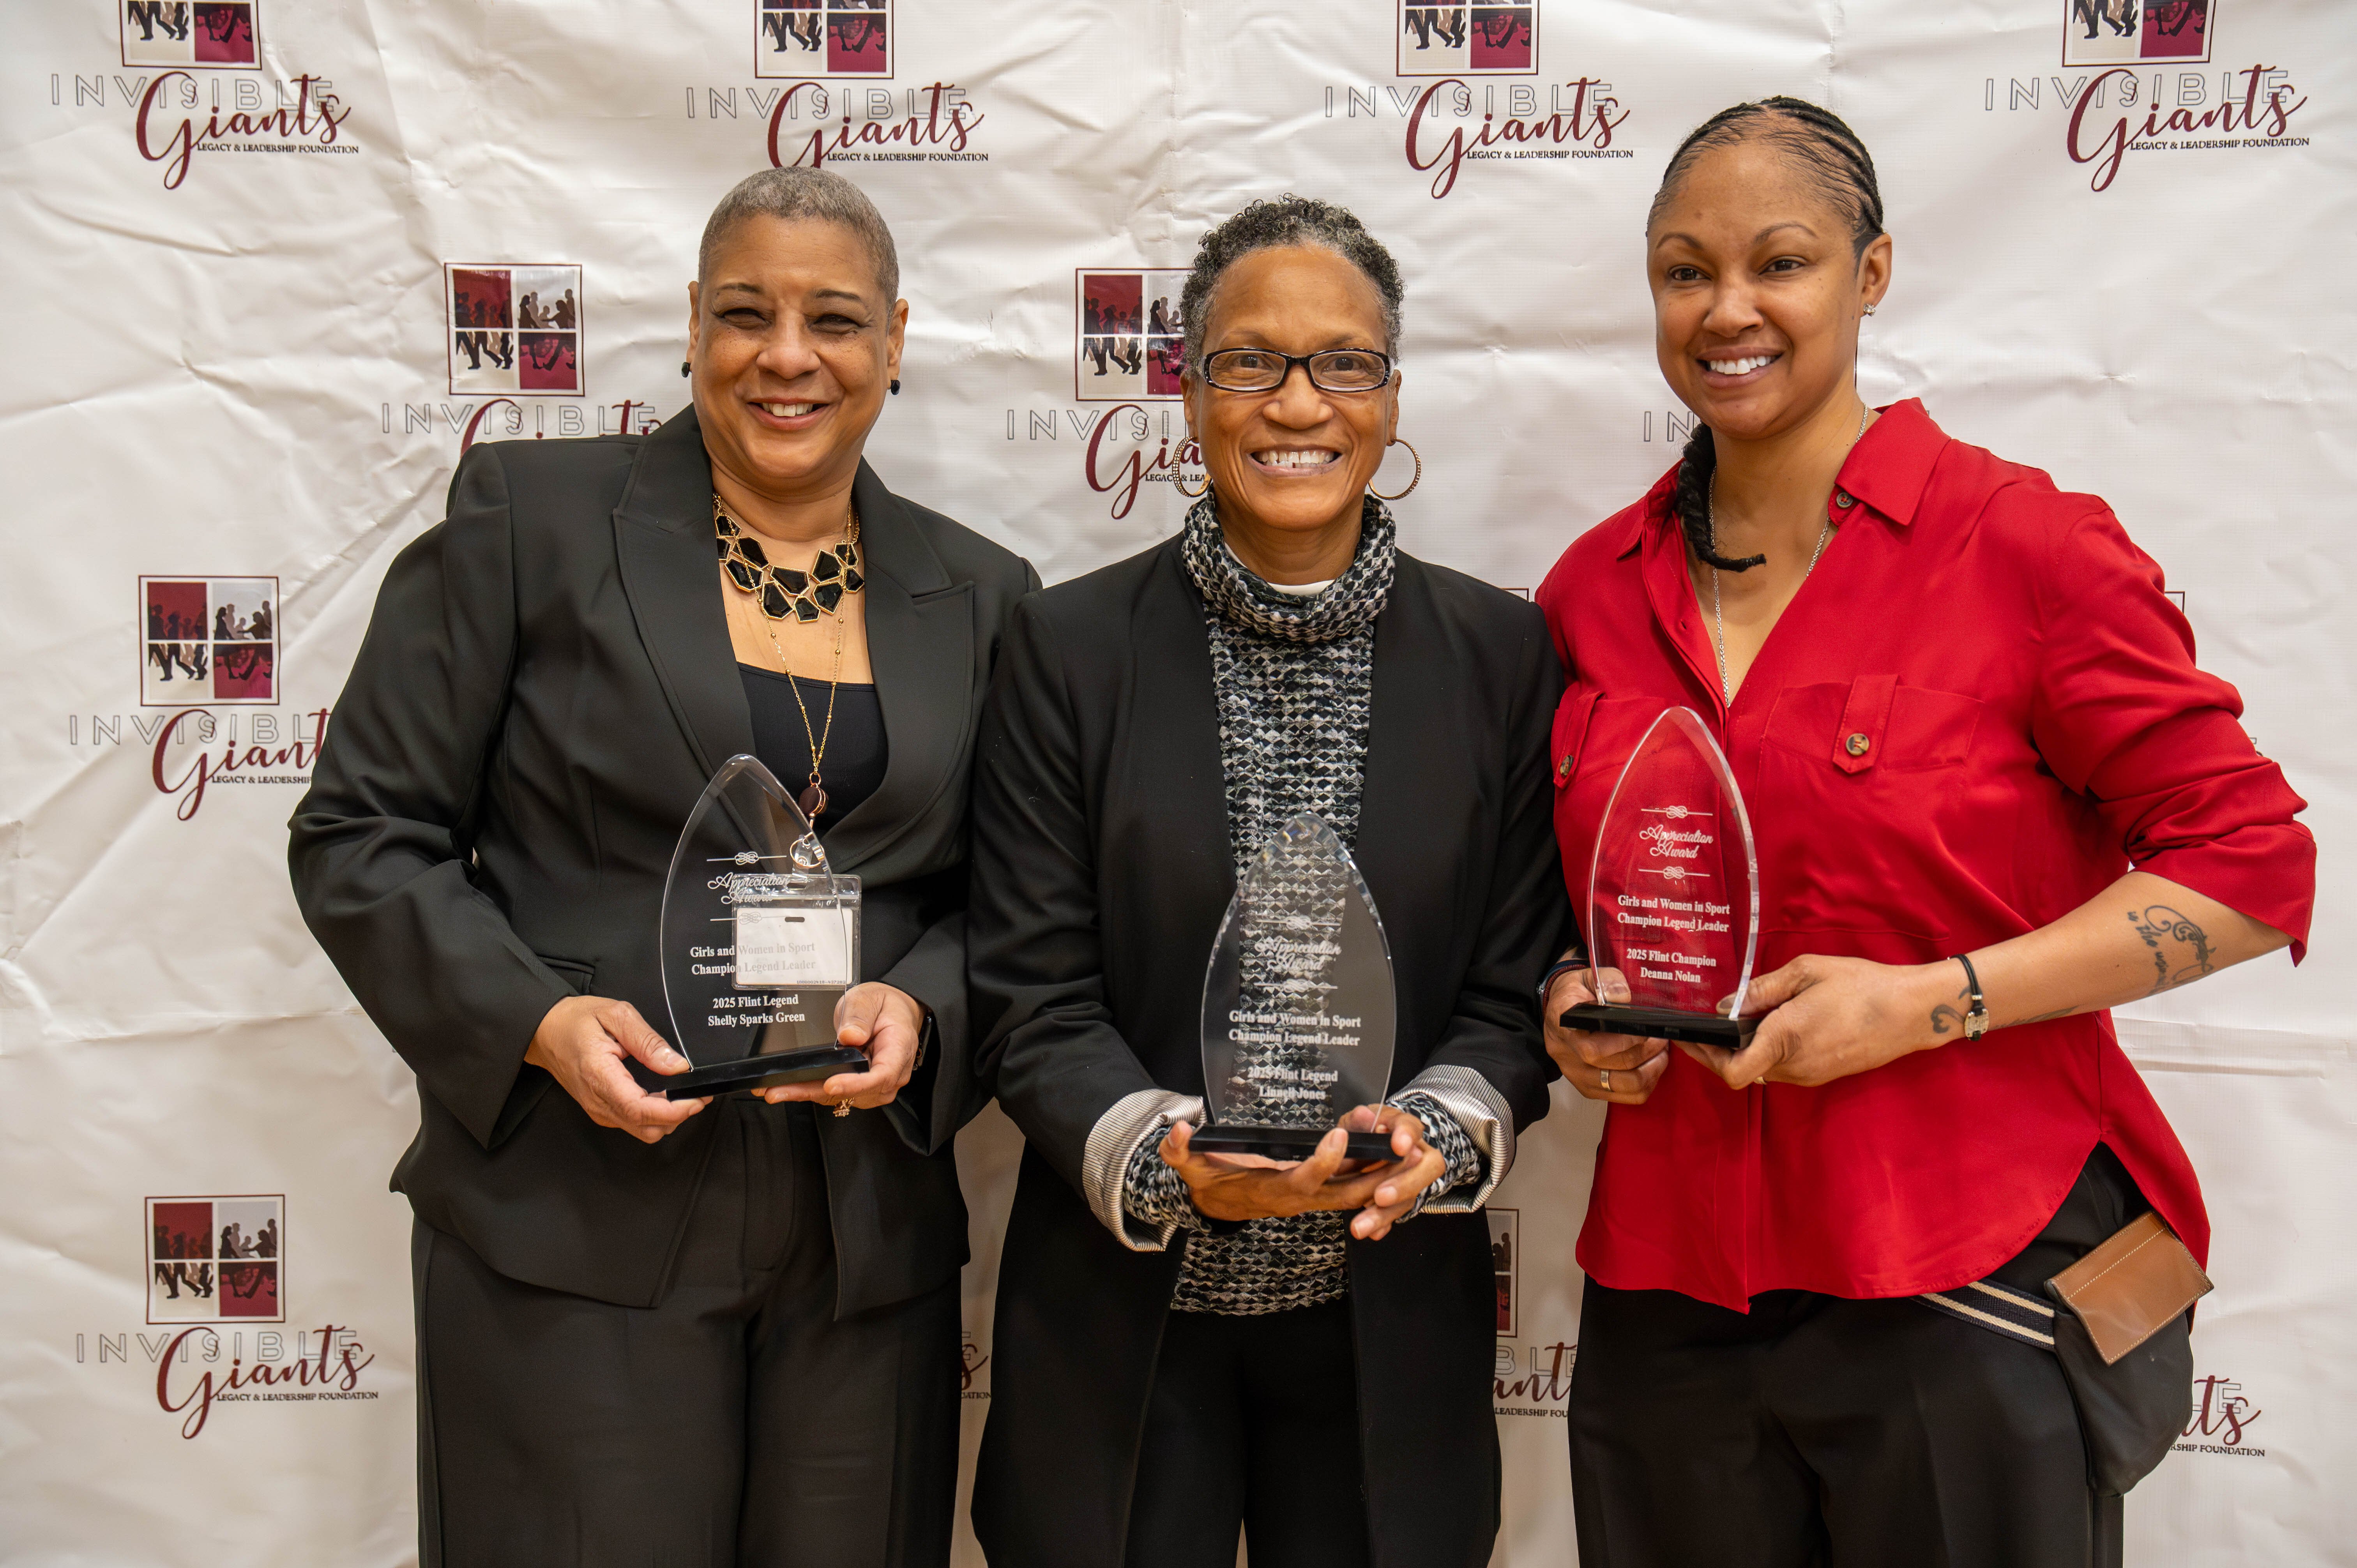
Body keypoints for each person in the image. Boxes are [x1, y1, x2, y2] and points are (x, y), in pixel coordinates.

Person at [1537, 97, 2315, 1568]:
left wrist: (1935, 1003)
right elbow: (1578, 903)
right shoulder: (1591, 588)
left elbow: (2253, 867)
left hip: (1962, 1286)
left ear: (1873, 272)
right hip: (1667, 1296)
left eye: (1783, 262)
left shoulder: (2025, 545)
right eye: (1684, 270)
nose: (1728, 310)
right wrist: (1574, 1006)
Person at [290, 166, 1036, 1568]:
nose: (788, 355)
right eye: (746, 312)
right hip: (576, 1220)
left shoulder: (986, 594)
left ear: (895, 340)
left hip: (860, 1247)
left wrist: (927, 1008)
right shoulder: (532, 520)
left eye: (836, 319)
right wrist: (537, 1023)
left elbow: (1017, 901)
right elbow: (362, 834)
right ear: (693, 323)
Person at [968, 196, 1565, 1568]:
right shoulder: (1065, 651)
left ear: (1391, 394)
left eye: (1343, 362)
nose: (1300, 400)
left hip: (1388, 1327)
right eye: (1252, 361)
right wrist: (1172, 1160)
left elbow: (1512, 984)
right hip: (1123, 1331)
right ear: (1189, 392)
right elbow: (1029, 995)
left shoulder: (1502, 658)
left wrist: (1434, 1138)